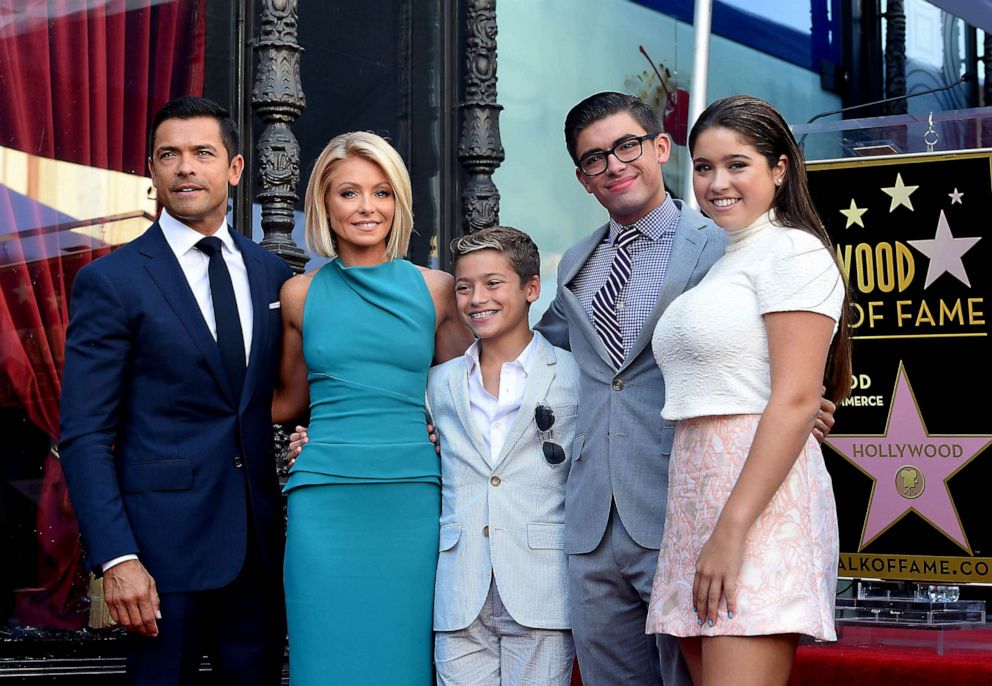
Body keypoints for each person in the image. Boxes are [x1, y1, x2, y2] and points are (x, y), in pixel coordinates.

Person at [534, 92, 837, 685]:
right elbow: (541, 359)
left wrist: (799, 406)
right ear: (582, 177)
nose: (614, 164)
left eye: (627, 146)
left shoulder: (728, 238)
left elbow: (793, 382)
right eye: (595, 158)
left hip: (710, 497)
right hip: (620, 513)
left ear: (658, 149)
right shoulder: (576, 263)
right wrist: (434, 401)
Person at [59, 96, 292, 684]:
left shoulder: (272, 274)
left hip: (260, 559)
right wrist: (118, 556)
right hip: (159, 564)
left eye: (202, 153)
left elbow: (275, 400)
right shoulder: (111, 281)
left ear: (235, 169)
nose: (186, 167)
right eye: (170, 155)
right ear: (153, 170)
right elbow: (86, 435)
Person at [645, 94, 852, 686]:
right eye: (704, 167)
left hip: (754, 505)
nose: (717, 182)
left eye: (737, 164)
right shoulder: (724, 260)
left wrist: (732, 527)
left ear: (780, 168)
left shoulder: (792, 250)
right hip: (695, 496)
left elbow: (794, 399)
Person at [271, 131, 471, 685]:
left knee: (400, 660)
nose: (366, 208)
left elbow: (467, 395)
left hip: (410, 495)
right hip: (324, 498)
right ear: (324, 204)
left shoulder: (437, 289)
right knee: (325, 660)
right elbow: (287, 403)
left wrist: (440, 427)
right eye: (349, 193)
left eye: (382, 193)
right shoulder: (300, 294)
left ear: (398, 202)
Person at [429, 226, 579, 685]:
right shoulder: (438, 382)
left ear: (532, 288)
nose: (477, 298)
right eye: (464, 287)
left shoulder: (574, 375)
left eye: (493, 283)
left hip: (541, 589)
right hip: (459, 592)